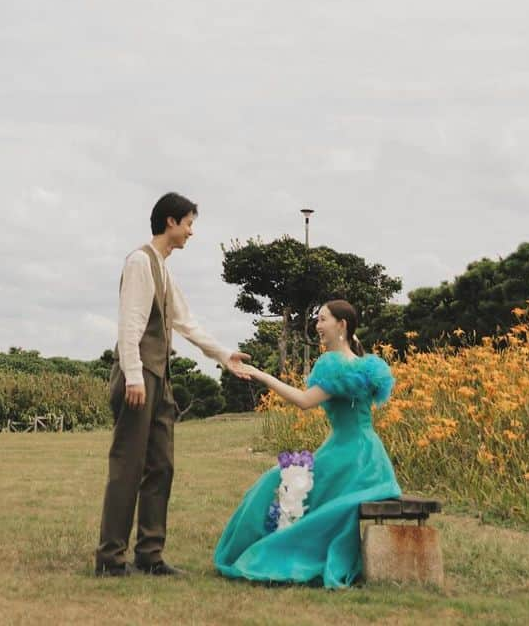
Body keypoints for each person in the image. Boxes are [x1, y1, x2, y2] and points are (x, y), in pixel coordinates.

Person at [95, 192, 252, 577]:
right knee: (127, 467)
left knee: (161, 465)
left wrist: (223, 355)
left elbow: (185, 322)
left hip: (159, 378)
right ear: (170, 222)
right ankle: (110, 559)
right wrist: (133, 375)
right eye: (189, 224)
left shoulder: (163, 268)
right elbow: (129, 323)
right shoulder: (140, 262)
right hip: (139, 376)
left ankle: (150, 555)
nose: (191, 232)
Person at [214, 300, 401, 588]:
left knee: (271, 482)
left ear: (342, 325)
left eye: (322, 319)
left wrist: (261, 375)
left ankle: (262, 549)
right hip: (370, 457)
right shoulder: (364, 365)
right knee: (287, 481)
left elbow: (304, 401)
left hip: (349, 459)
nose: (317, 325)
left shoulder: (335, 366)